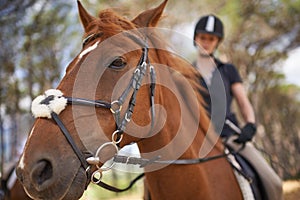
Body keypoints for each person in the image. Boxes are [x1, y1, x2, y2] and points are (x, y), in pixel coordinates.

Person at [193, 14, 283, 200]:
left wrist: (250, 124)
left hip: (230, 136)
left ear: (217, 42)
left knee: (274, 183)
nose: (206, 42)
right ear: (195, 38)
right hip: (197, 141)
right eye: (203, 38)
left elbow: (243, 102)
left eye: (211, 39)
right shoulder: (185, 73)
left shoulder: (228, 70)